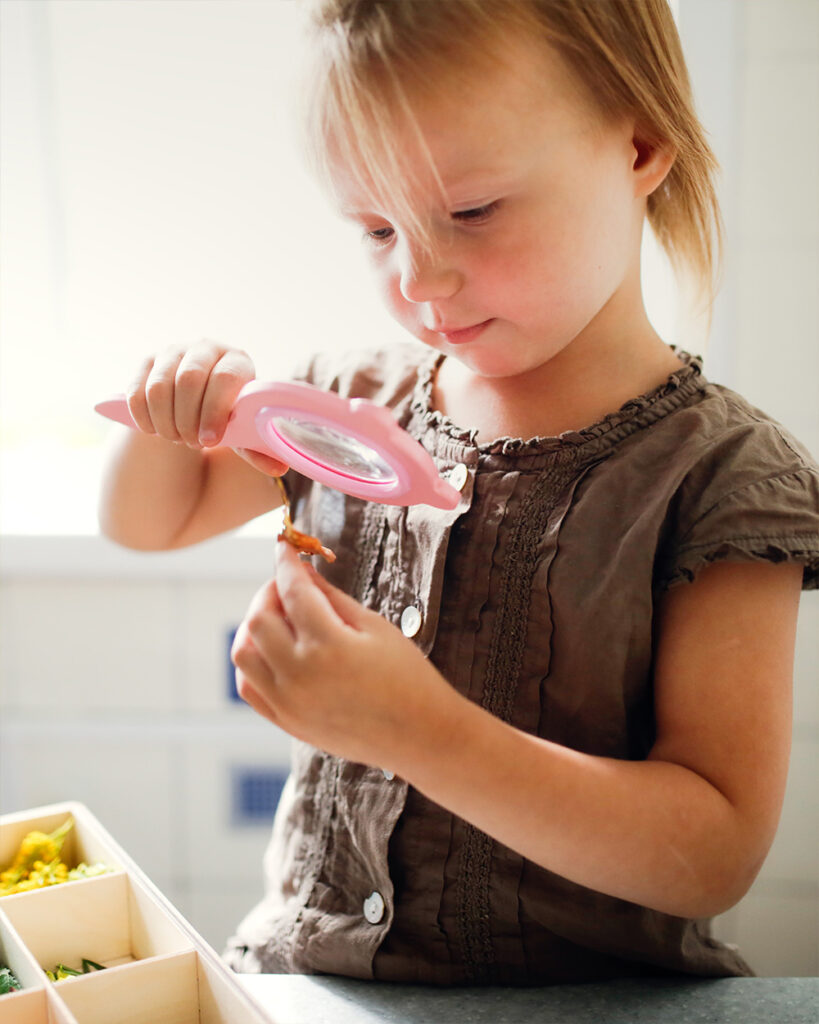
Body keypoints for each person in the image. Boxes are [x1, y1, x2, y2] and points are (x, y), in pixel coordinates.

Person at [98, 0, 819, 984]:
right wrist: (167, 415)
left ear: (641, 146)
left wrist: (417, 730)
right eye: (378, 227)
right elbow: (151, 522)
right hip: (308, 981)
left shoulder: (724, 477)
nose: (421, 278)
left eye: (471, 211)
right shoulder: (344, 402)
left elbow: (714, 855)